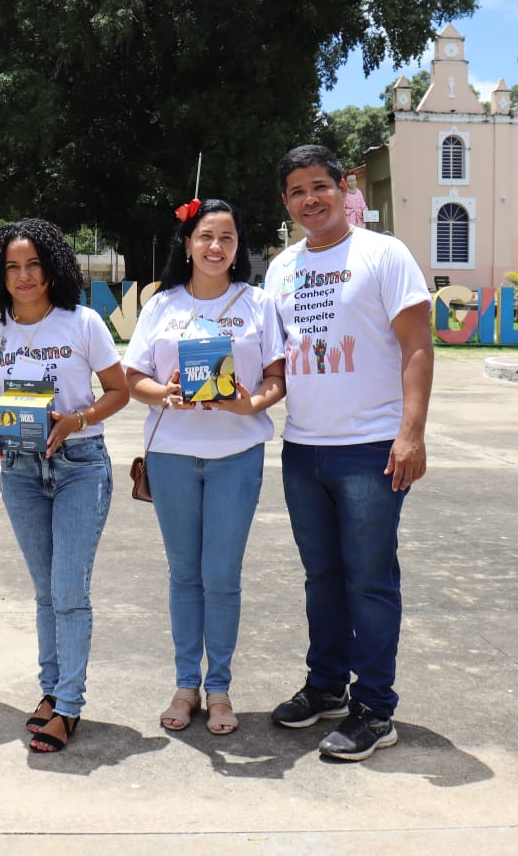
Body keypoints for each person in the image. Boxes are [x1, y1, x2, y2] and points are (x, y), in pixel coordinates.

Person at [263, 144, 433, 761]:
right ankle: (327, 686)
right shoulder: (281, 268)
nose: (310, 199)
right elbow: (274, 358)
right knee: (322, 578)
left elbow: (417, 344)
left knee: (370, 579)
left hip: (371, 449)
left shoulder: (383, 254)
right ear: (286, 202)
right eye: (297, 191)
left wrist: (411, 433)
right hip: (303, 447)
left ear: (344, 188)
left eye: (320, 186)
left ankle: (375, 708)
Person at [122, 198, 285, 736]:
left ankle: (219, 690)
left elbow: (276, 378)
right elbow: (133, 378)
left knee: (222, 577)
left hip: (237, 457)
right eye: (206, 236)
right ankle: (185, 685)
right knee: (184, 575)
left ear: (239, 247)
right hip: (171, 456)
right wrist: (164, 394)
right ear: (188, 244)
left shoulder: (258, 304)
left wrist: (248, 404)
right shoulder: (161, 305)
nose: (216, 246)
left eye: (227, 238)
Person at [0, 218, 129, 753]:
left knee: (68, 589)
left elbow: (118, 391)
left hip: (80, 466)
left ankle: (68, 706)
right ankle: (51, 692)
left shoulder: (82, 322)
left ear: (52, 268)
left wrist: (77, 420)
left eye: (34, 265)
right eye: (12, 267)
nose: (24, 276)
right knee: (44, 591)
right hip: (19, 470)